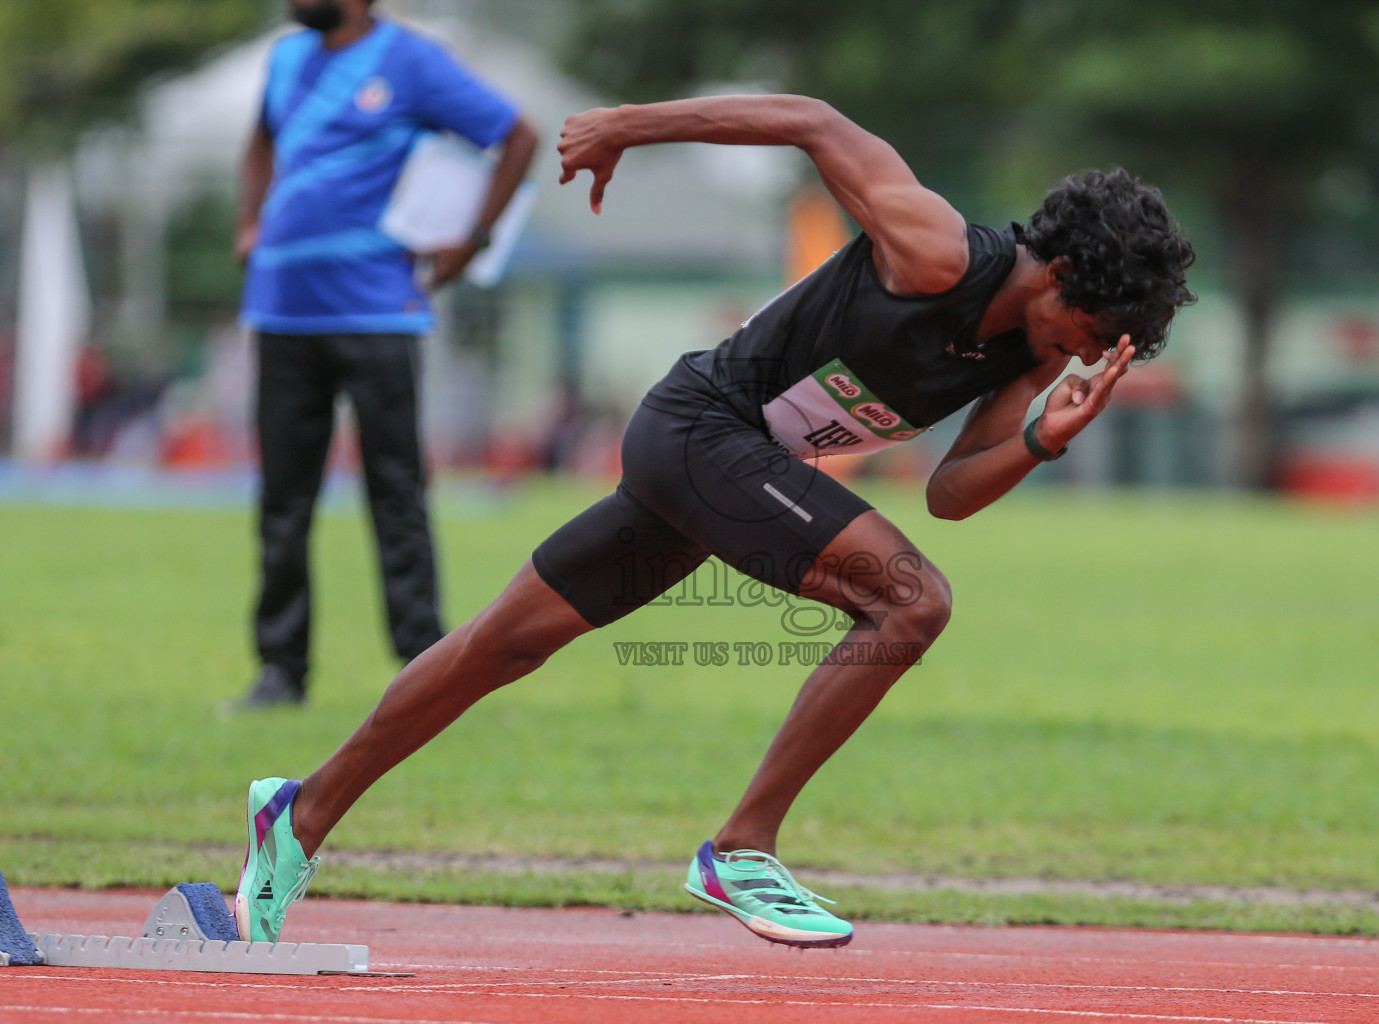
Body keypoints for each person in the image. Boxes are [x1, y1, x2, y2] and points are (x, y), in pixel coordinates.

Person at [235, 94, 1195, 948]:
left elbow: (951, 494)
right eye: (1092, 332)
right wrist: (624, 128)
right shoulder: (939, 251)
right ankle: (742, 847)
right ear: (1063, 273)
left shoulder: (1023, 363)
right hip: (700, 426)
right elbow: (814, 124)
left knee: (504, 644)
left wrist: (1040, 438)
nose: (1086, 356)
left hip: (725, 475)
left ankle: (299, 812)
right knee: (911, 601)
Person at [231, 0, 539, 708]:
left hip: (376, 313)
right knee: (282, 498)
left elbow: (516, 136)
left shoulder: (411, 59)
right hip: (281, 310)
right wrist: (248, 221)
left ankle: (422, 667)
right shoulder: (282, 59)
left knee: (395, 491)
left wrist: (472, 240)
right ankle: (280, 671)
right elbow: (259, 142)